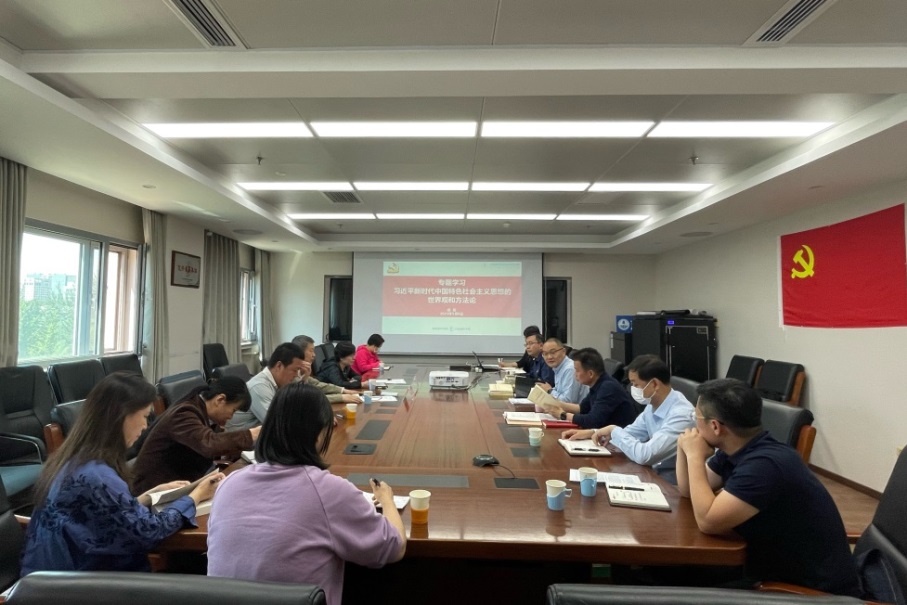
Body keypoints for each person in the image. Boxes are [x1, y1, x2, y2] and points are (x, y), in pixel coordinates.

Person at [207, 383, 406, 605]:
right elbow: (394, 547)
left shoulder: (229, 484)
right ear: (319, 433)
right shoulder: (328, 491)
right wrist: (387, 500)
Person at [20, 372, 222, 575]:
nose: (145, 426)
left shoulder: (74, 459)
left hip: (56, 576)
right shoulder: (97, 476)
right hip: (81, 584)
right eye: (144, 416)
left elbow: (104, 514)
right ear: (121, 416)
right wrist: (195, 496)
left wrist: (149, 496)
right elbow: (149, 532)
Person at [676, 378, 861, 596]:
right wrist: (683, 448)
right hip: (766, 566)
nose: (694, 425)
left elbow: (708, 521)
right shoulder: (739, 448)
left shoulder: (765, 465)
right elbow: (688, 491)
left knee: (674, 587)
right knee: (668, 573)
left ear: (715, 426)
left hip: (808, 592)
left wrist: (694, 456)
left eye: (696, 418)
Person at [563, 354, 693, 482]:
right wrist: (595, 433)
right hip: (652, 473)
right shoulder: (653, 405)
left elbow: (645, 455)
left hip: (672, 485)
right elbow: (630, 433)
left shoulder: (681, 415)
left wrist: (613, 430)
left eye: (636, 385)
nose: (633, 389)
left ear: (654, 384)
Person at [131, 376, 258, 495]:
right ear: (220, 400)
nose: (231, 417)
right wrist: (251, 434)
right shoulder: (184, 413)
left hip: (181, 482)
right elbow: (209, 444)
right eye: (233, 411)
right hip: (153, 491)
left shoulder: (203, 412)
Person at [226, 342, 358, 431]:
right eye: (295, 370)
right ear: (279, 366)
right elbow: (277, 425)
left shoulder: (279, 381)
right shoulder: (259, 386)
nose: (296, 375)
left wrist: (304, 379)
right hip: (244, 449)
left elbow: (298, 404)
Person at [540, 347, 636, 429]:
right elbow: (582, 408)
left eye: (577, 370)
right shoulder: (598, 383)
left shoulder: (608, 387)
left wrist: (563, 415)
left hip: (618, 440)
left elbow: (592, 421)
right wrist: (556, 404)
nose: (575, 374)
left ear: (590, 374)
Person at [536, 338, 587, 403]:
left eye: (553, 352)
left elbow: (568, 401)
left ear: (564, 351)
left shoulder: (570, 369)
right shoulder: (558, 367)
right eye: (545, 354)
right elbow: (560, 392)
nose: (549, 357)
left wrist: (550, 390)